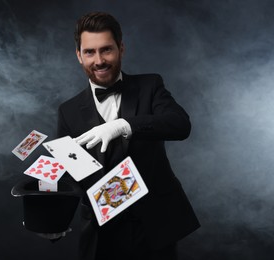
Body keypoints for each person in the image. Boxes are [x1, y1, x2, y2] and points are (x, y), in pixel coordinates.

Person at [57, 11, 200, 260]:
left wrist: (124, 125)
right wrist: (53, 221)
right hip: (103, 233)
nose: (99, 60)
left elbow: (180, 125)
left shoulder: (150, 86)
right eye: (90, 52)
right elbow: (71, 175)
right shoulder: (68, 111)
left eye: (107, 50)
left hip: (155, 228)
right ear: (79, 55)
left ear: (121, 48)